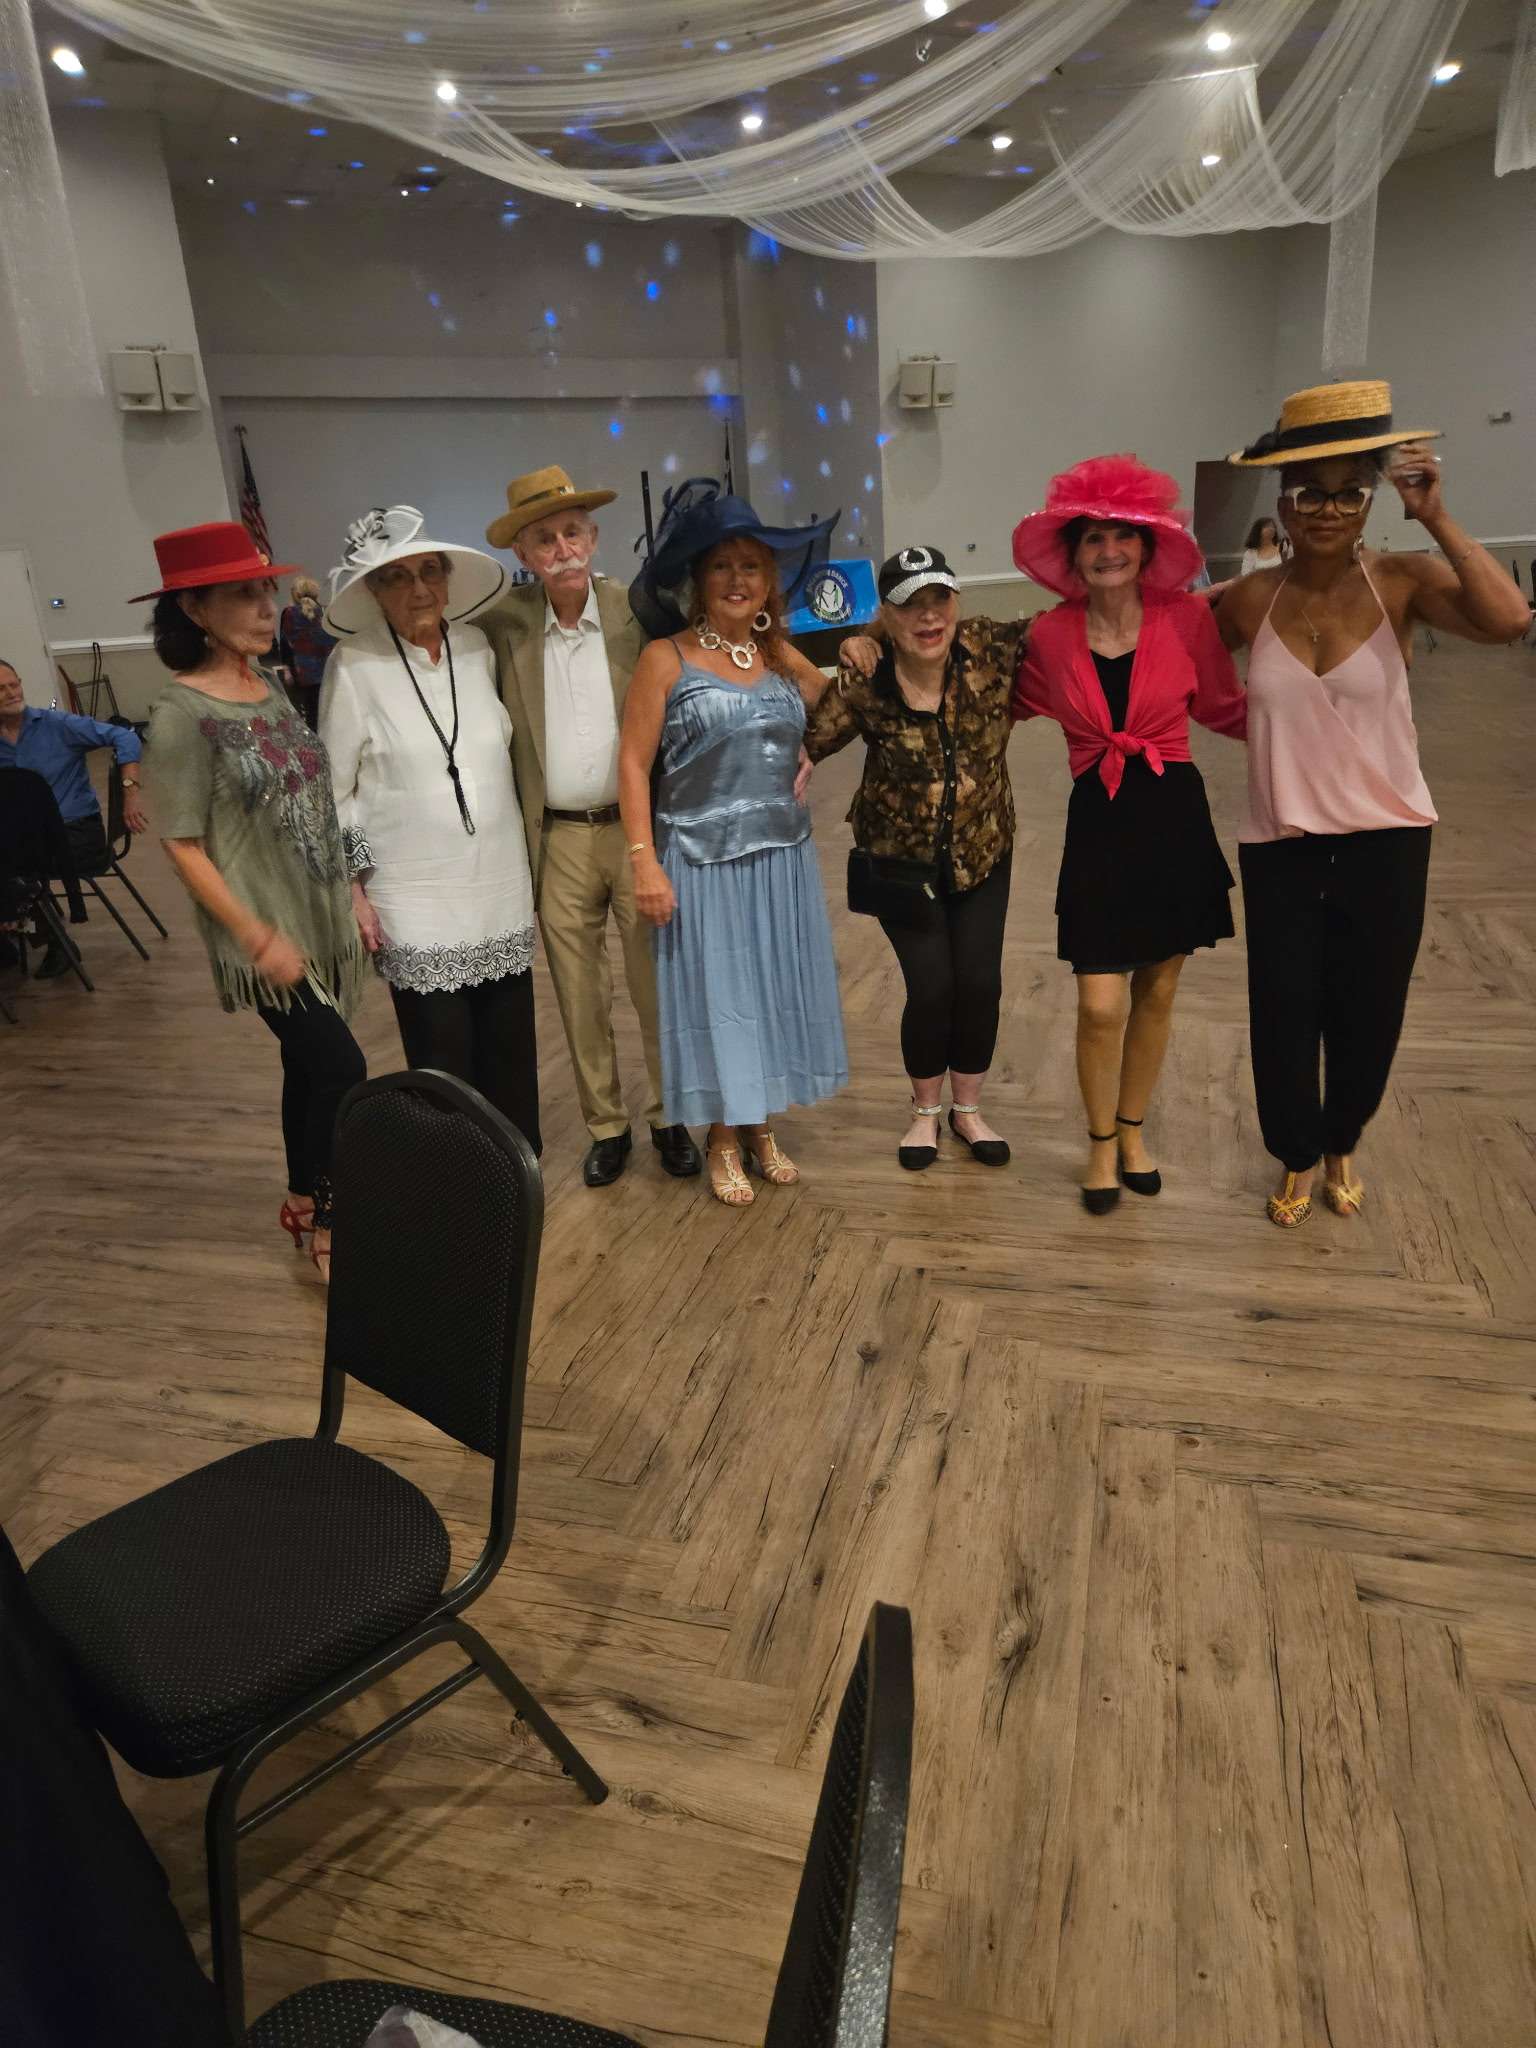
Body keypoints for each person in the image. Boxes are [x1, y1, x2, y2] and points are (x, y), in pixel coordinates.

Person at [1218, 378, 1532, 1227]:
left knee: (1368, 1007)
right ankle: (1294, 1152)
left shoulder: (1402, 580)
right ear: (1282, 505)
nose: (1327, 510)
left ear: (1369, 501)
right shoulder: (1250, 599)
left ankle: (1342, 1141)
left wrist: (1436, 516)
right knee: (1283, 1009)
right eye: (1308, 494)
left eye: (1348, 493)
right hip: (1280, 841)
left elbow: (1510, 621)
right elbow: (1166, 662)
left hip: (1387, 839)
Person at [1011, 455, 1248, 1213]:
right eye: (1093, 537)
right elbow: (989, 698)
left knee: (1159, 989)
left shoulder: (1186, 619)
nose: (1109, 550)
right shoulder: (1049, 635)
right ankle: (1099, 1142)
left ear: (1147, 548)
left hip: (1174, 817)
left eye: (1123, 535)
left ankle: (1133, 1132)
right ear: (1073, 555)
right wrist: (870, 648)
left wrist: (1317, 726)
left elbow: (1226, 706)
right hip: (1099, 826)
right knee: (1100, 1004)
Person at [136, 522, 367, 1279]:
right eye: (244, 594)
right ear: (194, 609)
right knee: (343, 1067)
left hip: (312, 912)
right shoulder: (180, 714)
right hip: (262, 928)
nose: (268, 608)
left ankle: (299, 1196)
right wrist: (253, 934)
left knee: (306, 1066)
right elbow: (180, 843)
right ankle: (332, 1216)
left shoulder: (266, 684)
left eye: (266, 589)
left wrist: (349, 893)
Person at [618, 483, 848, 1206]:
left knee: (769, 991)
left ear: (769, 580)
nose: (738, 580)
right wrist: (643, 861)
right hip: (698, 859)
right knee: (721, 999)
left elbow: (840, 709)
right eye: (722, 566)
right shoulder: (666, 658)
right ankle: (722, 1133)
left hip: (779, 856)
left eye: (751, 566)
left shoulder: (779, 655)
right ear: (697, 579)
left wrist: (814, 746)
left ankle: (758, 1123)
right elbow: (632, 764)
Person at [480, 466, 701, 1187]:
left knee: (656, 983)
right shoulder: (502, 626)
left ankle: (670, 1116)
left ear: (594, 536)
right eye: (544, 538)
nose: (562, 548)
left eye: (573, 532)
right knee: (579, 995)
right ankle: (607, 1125)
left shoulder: (638, 613)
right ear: (523, 553)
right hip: (558, 838)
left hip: (637, 830)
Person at [318, 504, 543, 1151]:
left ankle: (517, 1166)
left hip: (497, 883)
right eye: (397, 577)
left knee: (509, 1041)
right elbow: (333, 791)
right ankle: (461, 1171)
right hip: (413, 896)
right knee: (443, 1054)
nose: (418, 589)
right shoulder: (354, 664)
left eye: (429, 572)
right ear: (373, 591)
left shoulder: (476, 648)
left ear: (447, 579)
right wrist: (353, 890)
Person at [806, 546, 1025, 1171]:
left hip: (983, 851)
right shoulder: (866, 679)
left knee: (979, 984)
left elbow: (1076, 622)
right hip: (900, 867)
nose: (929, 617)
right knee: (932, 988)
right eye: (910, 605)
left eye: (939, 600)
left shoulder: (991, 649)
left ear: (957, 601)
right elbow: (810, 741)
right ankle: (925, 1113)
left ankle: (968, 1110)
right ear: (887, 614)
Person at [0, 656, 146, 976]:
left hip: (77, 834)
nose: (12, 693)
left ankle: (55, 942)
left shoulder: (56, 725)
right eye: (1, 689)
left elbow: (125, 736)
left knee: (13, 867)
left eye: (14, 684)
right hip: (27, 837)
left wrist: (130, 792)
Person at [278, 574, 337, 729]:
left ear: (295, 594)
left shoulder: (289, 613)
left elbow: (285, 644)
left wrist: (286, 669)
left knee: (312, 716)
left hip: (304, 674)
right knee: (331, 712)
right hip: (330, 670)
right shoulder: (326, 611)